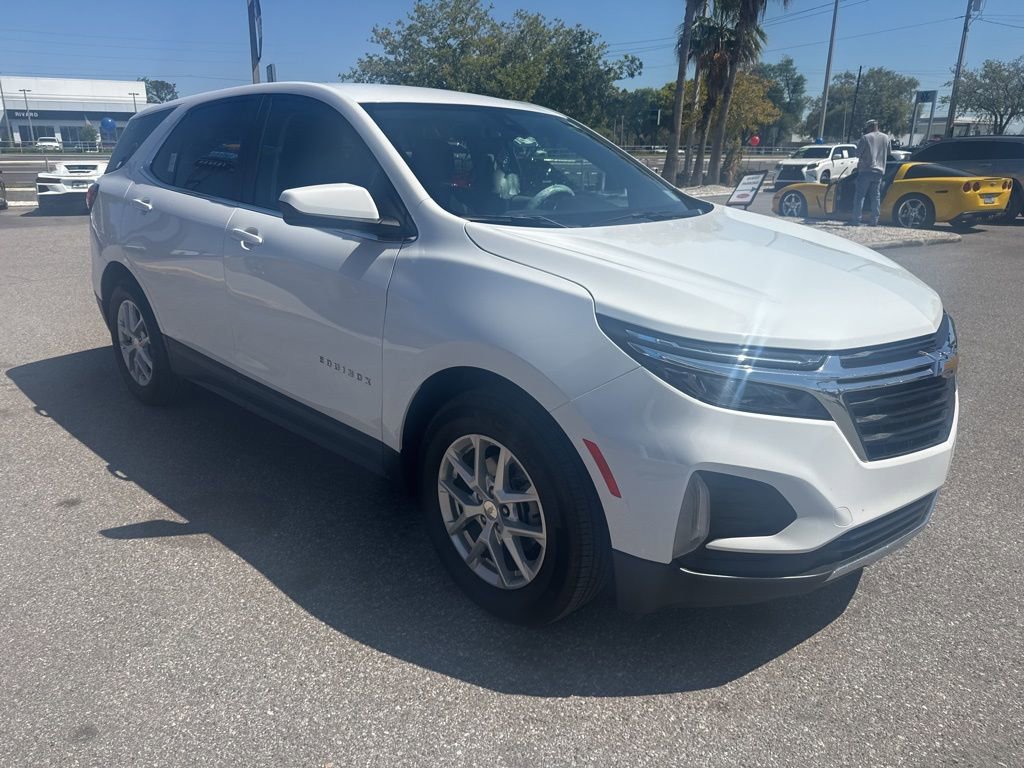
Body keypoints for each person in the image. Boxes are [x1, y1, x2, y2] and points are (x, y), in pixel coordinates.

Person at [849, 119, 891, 226]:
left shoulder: (865, 137)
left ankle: (856, 220)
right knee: (875, 196)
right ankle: (874, 220)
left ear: (870, 127)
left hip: (866, 170)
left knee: (860, 196)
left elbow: (857, 154)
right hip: (879, 171)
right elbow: (889, 152)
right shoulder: (886, 138)